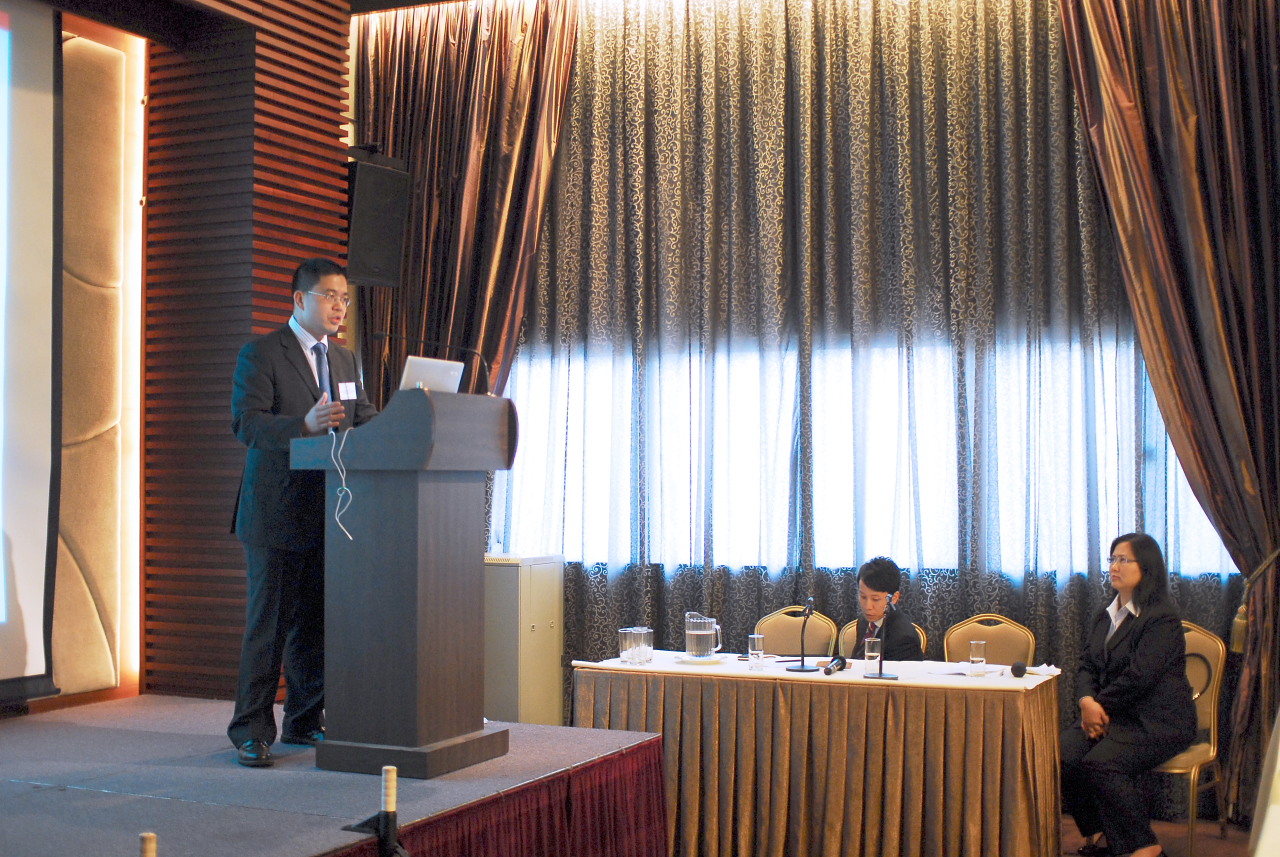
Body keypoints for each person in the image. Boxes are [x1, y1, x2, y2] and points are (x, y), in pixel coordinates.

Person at [226, 258, 379, 768]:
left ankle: (304, 720)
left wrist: (410, 421)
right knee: (268, 627)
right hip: (275, 513)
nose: (340, 307)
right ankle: (250, 730)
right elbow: (247, 424)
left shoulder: (345, 360)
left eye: (345, 299)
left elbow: (362, 417)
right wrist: (303, 425)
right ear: (299, 299)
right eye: (330, 296)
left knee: (315, 625)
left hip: (330, 513)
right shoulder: (263, 353)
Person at [1061, 533, 1196, 857]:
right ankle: (1100, 836)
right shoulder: (1105, 615)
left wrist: (1099, 707)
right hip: (1114, 715)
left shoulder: (1161, 617)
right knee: (1063, 753)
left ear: (1146, 567)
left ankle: (1145, 847)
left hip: (1157, 721)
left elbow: (1140, 677)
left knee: (1102, 763)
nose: (1114, 566)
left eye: (1123, 559)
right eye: (1112, 559)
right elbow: (1086, 666)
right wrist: (1086, 701)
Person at [847, 557, 925, 661]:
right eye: (863, 596)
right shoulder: (864, 621)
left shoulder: (904, 638)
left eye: (875, 599)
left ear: (894, 598)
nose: (867, 606)